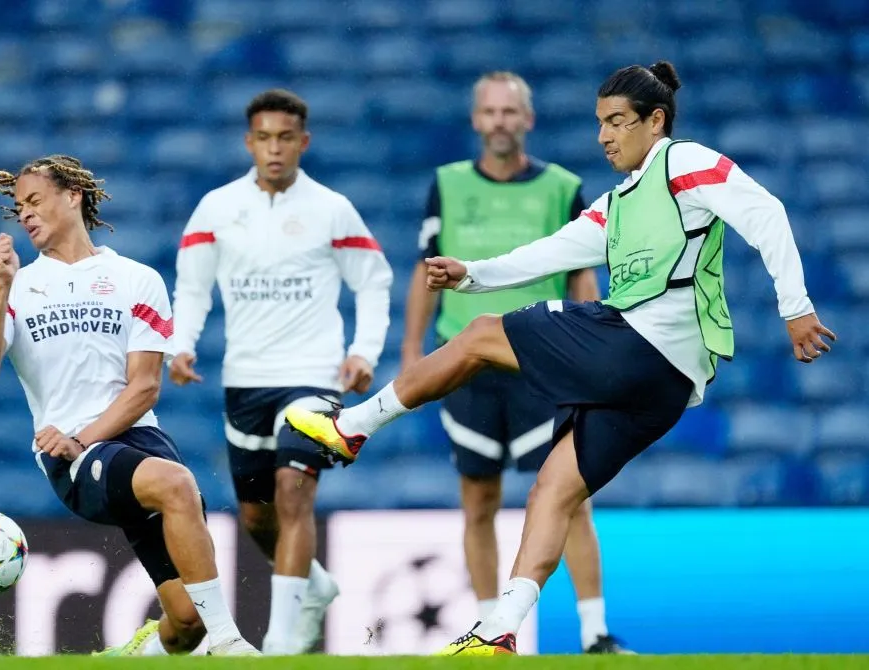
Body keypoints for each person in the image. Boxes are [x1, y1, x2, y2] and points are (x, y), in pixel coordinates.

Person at [284, 61, 837, 656]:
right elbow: (550, 251)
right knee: (555, 487)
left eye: (618, 122)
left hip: (637, 345)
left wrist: (795, 307)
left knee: (478, 337)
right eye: (600, 123)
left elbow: (767, 212)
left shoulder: (685, 162)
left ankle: (352, 427)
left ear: (656, 121)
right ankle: (499, 631)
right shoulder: (617, 201)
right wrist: (474, 274)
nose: (604, 136)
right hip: (666, 388)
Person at [0, 155, 258, 657]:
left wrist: (86, 436)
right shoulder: (12, 289)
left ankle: (142, 652)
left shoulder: (136, 279)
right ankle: (229, 641)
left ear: (72, 196)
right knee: (177, 483)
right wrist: (5, 286)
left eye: (35, 201)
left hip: (133, 439)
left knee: (186, 622)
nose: (26, 215)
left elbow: (144, 388)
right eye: (19, 208)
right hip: (70, 458)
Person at [402, 71, 626, 654]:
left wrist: (590, 349)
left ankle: (594, 631)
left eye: (510, 112)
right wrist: (411, 354)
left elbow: (582, 270)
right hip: (465, 366)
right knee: (479, 501)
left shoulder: (562, 187)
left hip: (541, 361)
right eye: (490, 112)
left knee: (569, 495)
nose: (499, 121)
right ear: (476, 120)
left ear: (527, 119)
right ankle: (488, 632)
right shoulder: (447, 185)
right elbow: (426, 271)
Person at [168, 89, 393, 655]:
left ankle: (281, 644)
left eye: (285, 138)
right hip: (245, 378)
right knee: (255, 514)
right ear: (249, 142)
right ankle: (314, 586)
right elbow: (192, 286)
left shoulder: (331, 208)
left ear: (303, 142)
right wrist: (182, 344)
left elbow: (374, 279)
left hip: (313, 376)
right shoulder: (217, 208)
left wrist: (364, 351)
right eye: (264, 138)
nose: (274, 149)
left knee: (294, 492)